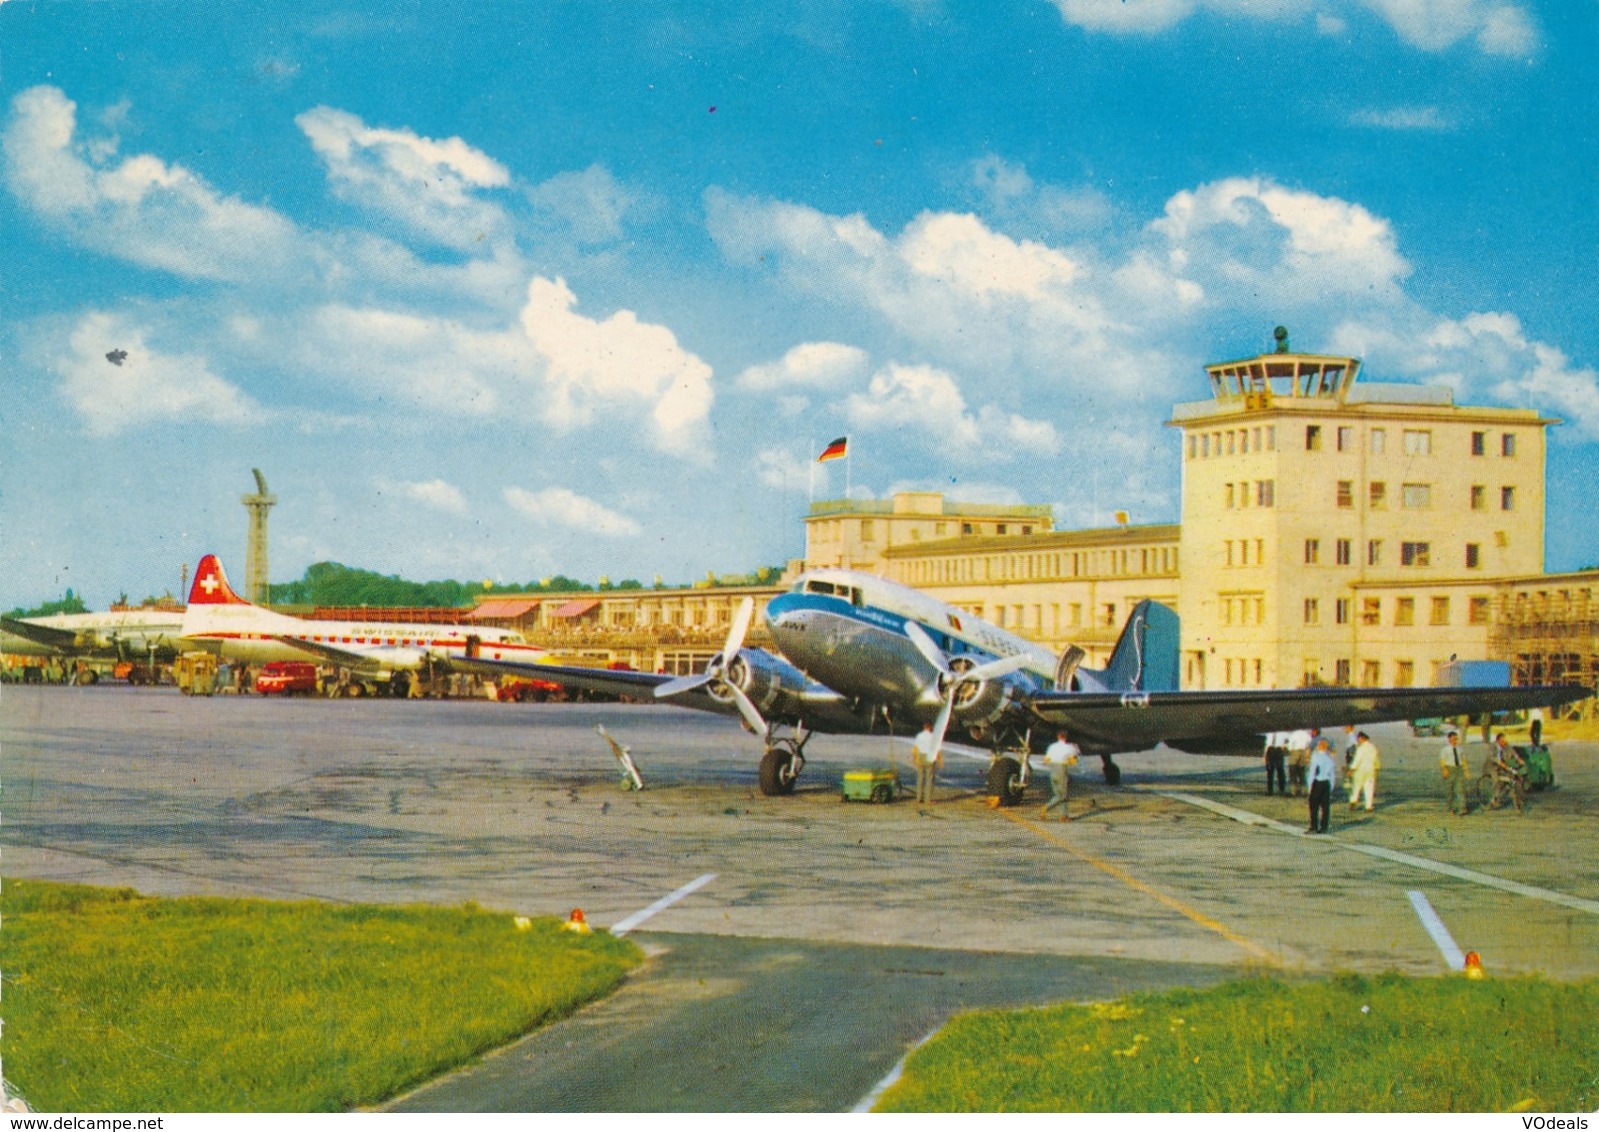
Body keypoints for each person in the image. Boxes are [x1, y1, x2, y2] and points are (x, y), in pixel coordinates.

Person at [1041, 729, 1080, 822]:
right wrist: (1076, 750)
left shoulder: (1052, 747)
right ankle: (1046, 808)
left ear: (1058, 737)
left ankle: (1063, 816)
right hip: (1061, 770)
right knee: (1062, 796)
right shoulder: (1069, 748)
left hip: (1052, 770)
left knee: (1060, 794)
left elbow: (1046, 760)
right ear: (1066, 737)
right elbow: (1073, 762)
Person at [1306, 737, 1337, 833]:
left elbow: (1312, 772)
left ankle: (1314, 826)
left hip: (1317, 782)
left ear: (1319, 747)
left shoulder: (1315, 757)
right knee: (1325, 807)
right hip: (1326, 784)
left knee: (1314, 806)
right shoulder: (1330, 759)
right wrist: (1330, 787)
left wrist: (1310, 786)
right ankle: (1324, 827)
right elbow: (1332, 776)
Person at [1439, 729, 1471, 815]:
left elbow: (1464, 760)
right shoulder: (1445, 750)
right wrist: (1444, 770)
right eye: (1453, 739)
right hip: (1450, 769)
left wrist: (1466, 771)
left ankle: (1462, 808)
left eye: (1456, 739)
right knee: (1449, 790)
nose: (1455, 741)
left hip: (1459, 769)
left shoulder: (1460, 749)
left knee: (1460, 789)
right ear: (1449, 739)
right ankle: (1451, 808)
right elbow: (1442, 761)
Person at [1347, 731, 1380, 811]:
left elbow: (1357, 760)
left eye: (1359, 739)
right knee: (1369, 788)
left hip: (1360, 770)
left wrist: (1352, 769)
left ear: (1362, 738)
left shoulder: (1361, 749)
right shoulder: (1373, 748)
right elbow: (1376, 759)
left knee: (1356, 787)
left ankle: (1353, 801)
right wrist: (1377, 768)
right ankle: (1368, 806)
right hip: (1370, 770)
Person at [911, 723, 941, 805]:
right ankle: (927, 799)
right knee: (929, 778)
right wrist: (940, 761)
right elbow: (937, 750)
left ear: (924, 727)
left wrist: (915, 759)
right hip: (929, 757)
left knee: (920, 778)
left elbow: (915, 749)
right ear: (930, 727)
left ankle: (918, 798)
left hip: (920, 757)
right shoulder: (933, 737)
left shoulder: (919, 736)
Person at [1286, 728, 1313, 796]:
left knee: (1292, 771)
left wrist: (1290, 751)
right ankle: (1304, 790)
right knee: (1302, 772)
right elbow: (1310, 744)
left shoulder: (1294, 734)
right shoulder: (1307, 735)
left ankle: (1293, 790)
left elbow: (1290, 745)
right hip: (1304, 751)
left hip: (1295, 751)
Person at [1262, 731, 1287, 795]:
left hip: (1278, 750)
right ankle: (1270, 790)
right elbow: (1267, 744)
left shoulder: (1283, 733)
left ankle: (1282, 790)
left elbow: (1285, 742)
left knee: (1280, 771)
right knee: (1270, 772)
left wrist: (1282, 750)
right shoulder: (1270, 734)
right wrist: (1265, 756)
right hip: (1270, 750)